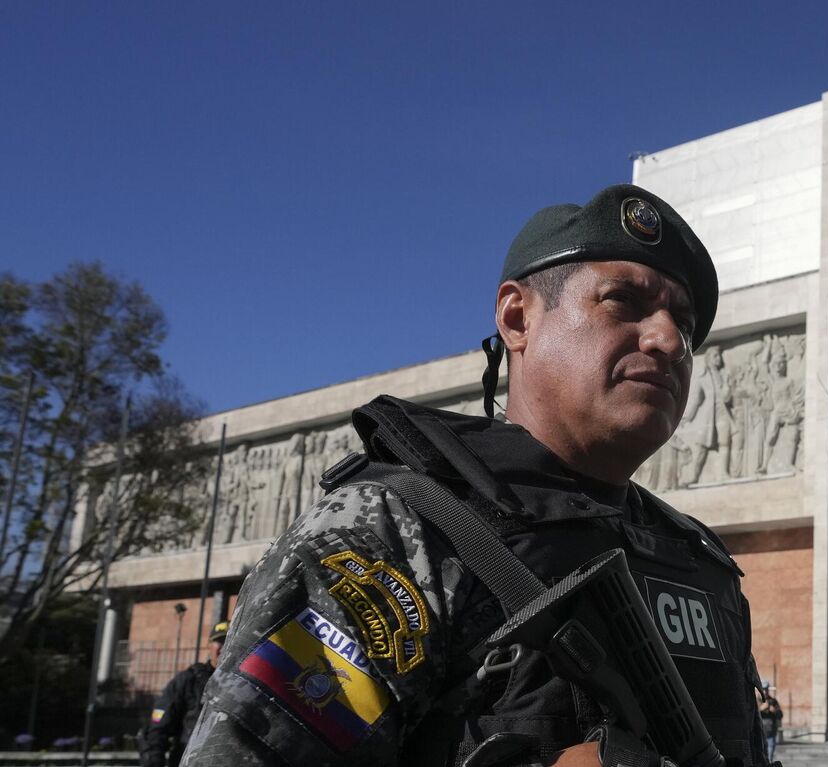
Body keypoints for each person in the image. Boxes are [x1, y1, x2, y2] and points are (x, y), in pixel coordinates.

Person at [180, 184, 772, 767]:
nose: (670, 339)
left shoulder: (699, 562)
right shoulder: (391, 535)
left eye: (685, 324)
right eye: (623, 301)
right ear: (518, 317)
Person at [140, 622, 228, 767]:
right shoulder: (188, 680)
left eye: (230, 641)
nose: (224, 647)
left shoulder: (247, 685)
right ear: (209, 645)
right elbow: (158, 730)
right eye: (220, 641)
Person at [757, 685, 783, 763]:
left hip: (771, 733)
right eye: (763, 689)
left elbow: (780, 715)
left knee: (769, 757)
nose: (765, 692)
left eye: (766, 689)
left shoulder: (773, 701)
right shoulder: (756, 700)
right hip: (759, 734)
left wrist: (775, 711)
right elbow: (750, 714)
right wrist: (761, 709)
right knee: (760, 758)